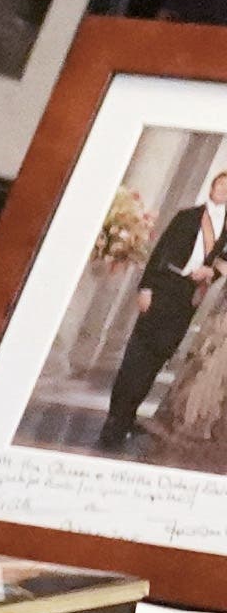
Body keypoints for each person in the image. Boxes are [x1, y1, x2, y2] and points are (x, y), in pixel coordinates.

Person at [104, 157, 225, 456]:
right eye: (221, 185)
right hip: (163, 288)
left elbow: (223, 263)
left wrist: (213, 272)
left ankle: (128, 417)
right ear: (212, 188)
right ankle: (113, 422)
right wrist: (145, 288)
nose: (223, 190)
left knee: (157, 359)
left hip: (187, 299)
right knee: (136, 356)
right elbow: (158, 253)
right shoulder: (187, 217)